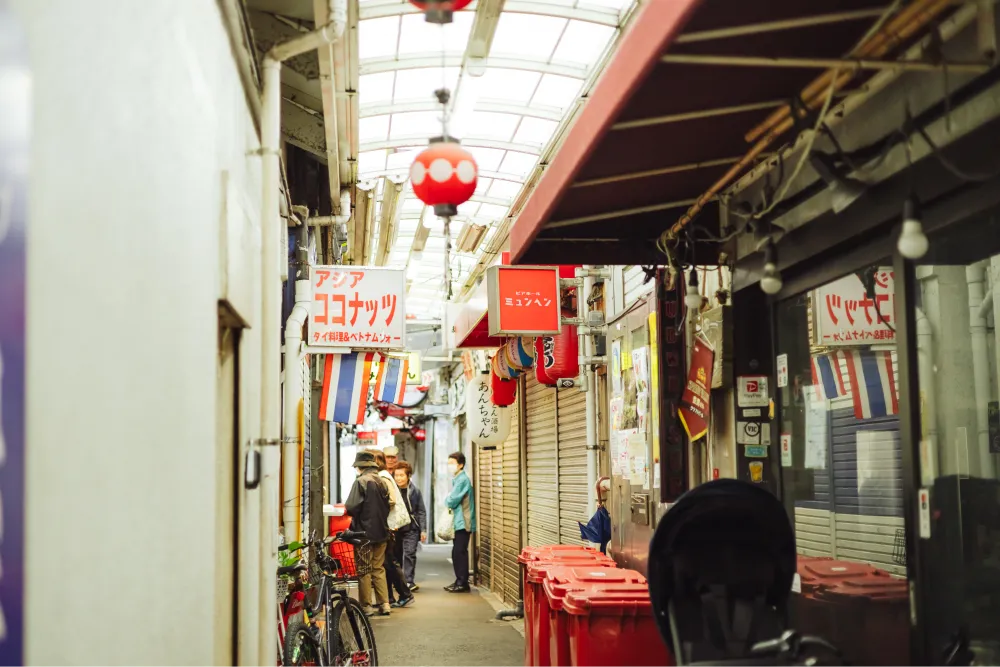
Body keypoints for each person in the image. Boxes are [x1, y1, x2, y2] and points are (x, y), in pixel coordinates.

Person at [344, 450, 391, 617]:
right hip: (382, 532)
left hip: (363, 534)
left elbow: (351, 507)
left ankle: (367, 606)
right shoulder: (382, 481)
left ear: (361, 467)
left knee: (364, 569)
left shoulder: (361, 482)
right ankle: (385, 604)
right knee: (378, 568)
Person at [370, 449, 414, 608]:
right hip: (387, 526)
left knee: (390, 563)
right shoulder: (384, 476)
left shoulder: (383, 477)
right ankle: (388, 598)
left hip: (390, 526)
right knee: (386, 563)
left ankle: (404, 594)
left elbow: (392, 500)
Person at [444, 451, 475, 593]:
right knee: (456, 552)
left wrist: (447, 499)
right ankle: (459, 580)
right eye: (448, 463)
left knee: (459, 552)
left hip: (464, 521)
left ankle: (463, 582)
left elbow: (452, 500)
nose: (450, 466)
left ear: (461, 465)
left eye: (452, 463)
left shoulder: (462, 480)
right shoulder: (457, 478)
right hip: (459, 521)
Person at [393, 461, 427, 591]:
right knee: (396, 555)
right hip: (395, 528)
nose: (399, 478)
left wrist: (423, 530)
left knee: (409, 554)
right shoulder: (391, 490)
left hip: (411, 528)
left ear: (408, 476)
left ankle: (409, 581)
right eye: (396, 475)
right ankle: (399, 581)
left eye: (402, 475)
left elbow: (421, 511)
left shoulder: (414, 491)